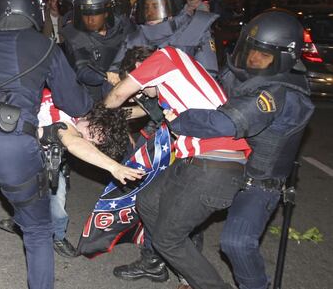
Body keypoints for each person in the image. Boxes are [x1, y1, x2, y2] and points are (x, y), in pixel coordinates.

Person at [141, 10, 315, 289]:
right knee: (150, 202)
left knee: (236, 242)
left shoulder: (280, 94)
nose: (253, 59)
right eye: (251, 50)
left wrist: (179, 120)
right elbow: (207, 96)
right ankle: (184, 268)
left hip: (256, 182)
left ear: (283, 58)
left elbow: (224, 121)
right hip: (221, 162)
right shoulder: (241, 74)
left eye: (264, 55)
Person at [0, 0, 92, 289]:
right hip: (13, 143)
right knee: (38, 229)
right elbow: (75, 103)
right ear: (33, 11)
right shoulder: (45, 46)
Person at [105, 45, 251, 287]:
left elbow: (118, 96)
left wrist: (97, 115)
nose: (139, 93)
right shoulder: (175, 86)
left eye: (138, 85)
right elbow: (138, 112)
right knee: (148, 201)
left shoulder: (165, 57)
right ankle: (157, 263)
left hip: (214, 165)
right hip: (196, 161)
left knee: (168, 240)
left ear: (140, 70)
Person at [0, 90, 144, 257]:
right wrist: (115, 167)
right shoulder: (66, 116)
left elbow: (117, 113)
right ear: (92, 119)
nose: (88, 141)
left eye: (93, 143)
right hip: (11, 154)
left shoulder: (83, 109)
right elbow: (74, 142)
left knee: (57, 205)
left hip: (43, 160)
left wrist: (153, 109)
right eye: (90, 135)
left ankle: (56, 236)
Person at [109, 0, 219, 78]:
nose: (150, 13)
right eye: (146, 8)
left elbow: (207, 77)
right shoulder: (135, 38)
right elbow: (112, 76)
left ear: (173, 4)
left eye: (156, 7)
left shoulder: (196, 30)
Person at [62, 0, 134, 100]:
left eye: (95, 14)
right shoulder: (75, 33)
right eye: (85, 14)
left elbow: (139, 53)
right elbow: (82, 70)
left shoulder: (124, 26)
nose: (90, 20)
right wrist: (106, 76)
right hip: (93, 95)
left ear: (107, 12)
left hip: (128, 90)